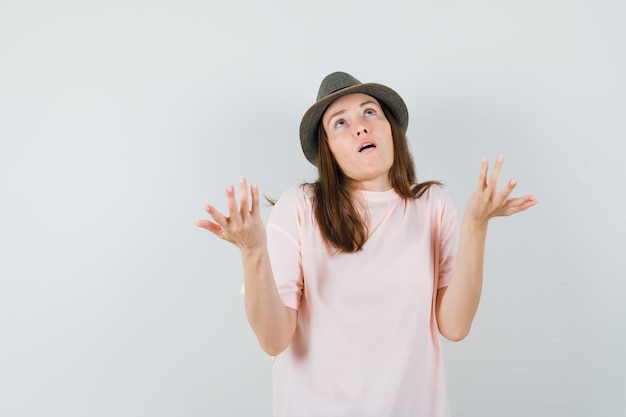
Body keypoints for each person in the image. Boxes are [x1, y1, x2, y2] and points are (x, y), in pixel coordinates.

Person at [196, 71, 537, 417]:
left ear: (390, 128)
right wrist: (253, 253)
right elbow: (274, 339)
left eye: (369, 112)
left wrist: (476, 225)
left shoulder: (432, 206)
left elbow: (455, 325)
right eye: (340, 123)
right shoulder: (300, 206)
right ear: (327, 149)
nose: (360, 126)